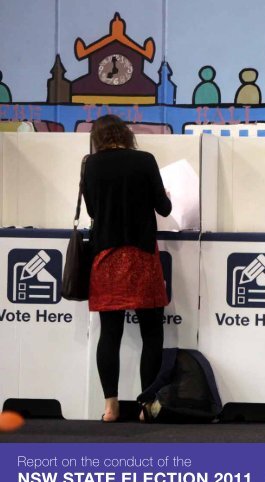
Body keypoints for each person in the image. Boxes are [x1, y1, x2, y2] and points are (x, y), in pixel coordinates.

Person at [82, 114, 172, 422]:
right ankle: (147, 406)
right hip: (141, 256)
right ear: (127, 134)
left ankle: (111, 406)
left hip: (106, 257)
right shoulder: (144, 160)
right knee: (152, 332)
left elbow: (93, 210)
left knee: (110, 334)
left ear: (98, 137)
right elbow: (164, 207)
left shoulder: (89, 165)